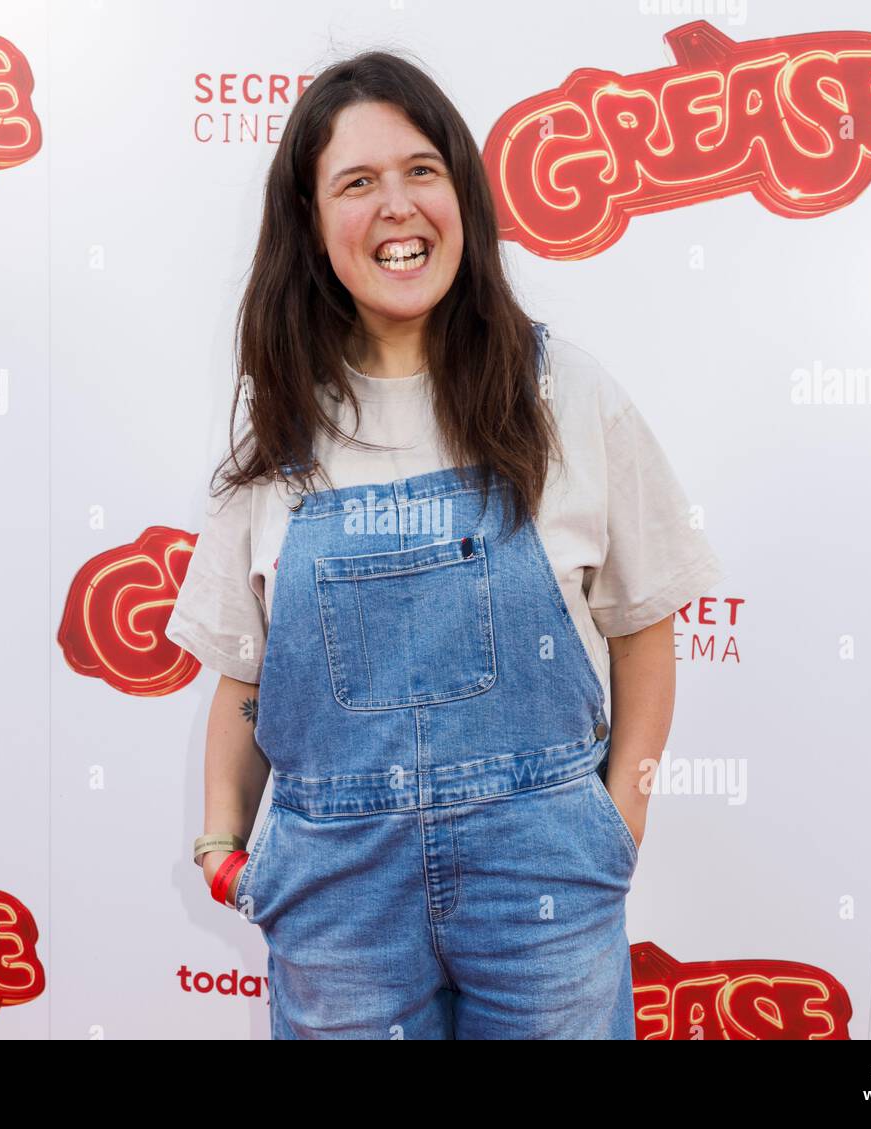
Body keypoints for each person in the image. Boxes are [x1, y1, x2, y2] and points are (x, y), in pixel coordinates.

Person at [169, 50, 725, 1039]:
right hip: (340, 905)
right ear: (310, 222)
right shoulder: (280, 428)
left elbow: (644, 625)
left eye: (422, 169)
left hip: (543, 892)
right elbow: (244, 681)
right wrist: (220, 843)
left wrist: (616, 825)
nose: (397, 204)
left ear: (461, 191)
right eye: (356, 181)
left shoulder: (564, 394)